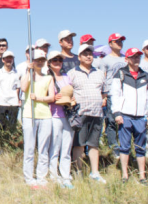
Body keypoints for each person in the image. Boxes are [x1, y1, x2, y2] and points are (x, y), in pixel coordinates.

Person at [66, 44, 106, 184]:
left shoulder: (99, 73)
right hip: (81, 113)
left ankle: (95, 172)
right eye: (85, 54)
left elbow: (104, 92)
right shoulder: (72, 73)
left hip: (96, 113)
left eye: (90, 54)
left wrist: (103, 99)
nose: (89, 56)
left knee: (94, 144)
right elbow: (68, 92)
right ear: (79, 57)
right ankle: (78, 171)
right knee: (79, 144)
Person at [110, 48, 148, 184]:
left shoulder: (145, 76)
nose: (136, 59)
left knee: (141, 147)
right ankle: (125, 175)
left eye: (138, 56)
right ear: (126, 59)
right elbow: (115, 94)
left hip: (141, 116)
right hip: (125, 115)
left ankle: (142, 175)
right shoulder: (121, 74)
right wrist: (117, 113)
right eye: (133, 57)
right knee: (125, 146)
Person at [20, 50, 54, 188]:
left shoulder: (48, 78)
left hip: (45, 115)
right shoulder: (28, 76)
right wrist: (28, 72)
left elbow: (51, 97)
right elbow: (23, 88)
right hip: (29, 115)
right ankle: (28, 177)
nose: (39, 62)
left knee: (43, 148)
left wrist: (39, 98)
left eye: (42, 59)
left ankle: (41, 176)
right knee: (29, 147)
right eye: (37, 60)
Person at [46, 51, 75, 188]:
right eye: (54, 60)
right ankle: (53, 174)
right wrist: (53, 97)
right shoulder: (47, 77)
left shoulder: (66, 77)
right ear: (49, 63)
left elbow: (72, 93)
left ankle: (65, 175)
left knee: (67, 147)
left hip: (68, 115)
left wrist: (72, 98)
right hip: (54, 115)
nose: (58, 62)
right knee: (55, 146)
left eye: (60, 60)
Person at [99, 33, 127, 158]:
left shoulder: (126, 58)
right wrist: (103, 96)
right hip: (110, 93)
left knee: (124, 120)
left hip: (125, 93)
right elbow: (102, 78)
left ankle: (124, 144)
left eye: (121, 41)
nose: (119, 43)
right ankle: (113, 146)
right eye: (116, 41)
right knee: (111, 120)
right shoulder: (105, 60)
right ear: (110, 44)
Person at [0, 50, 21, 136]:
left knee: (12, 127)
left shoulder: (17, 73)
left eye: (11, 58)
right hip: (1, 102)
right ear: (3, 60)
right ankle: (0, 145)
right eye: (7, 59)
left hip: (13, 103)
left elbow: (17, 88)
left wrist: (18, 99)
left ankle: (10, 145)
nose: (9, 60)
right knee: (0, 126)